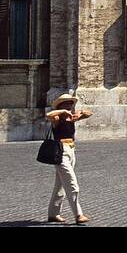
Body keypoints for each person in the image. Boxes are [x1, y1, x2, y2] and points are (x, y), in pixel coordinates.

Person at [45, 92, 91, 223]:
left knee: (60, 185)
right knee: (72, 183)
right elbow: (48, 115)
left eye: (71, 104)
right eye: (67, 104)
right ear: (61, 105)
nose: (70, 106)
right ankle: (78, 215)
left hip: (71, 150)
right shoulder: (57, 119)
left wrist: (80, 113)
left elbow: (89, 113)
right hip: (61, 152)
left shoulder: (72, 118)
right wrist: (62, 111)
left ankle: (53, 213)